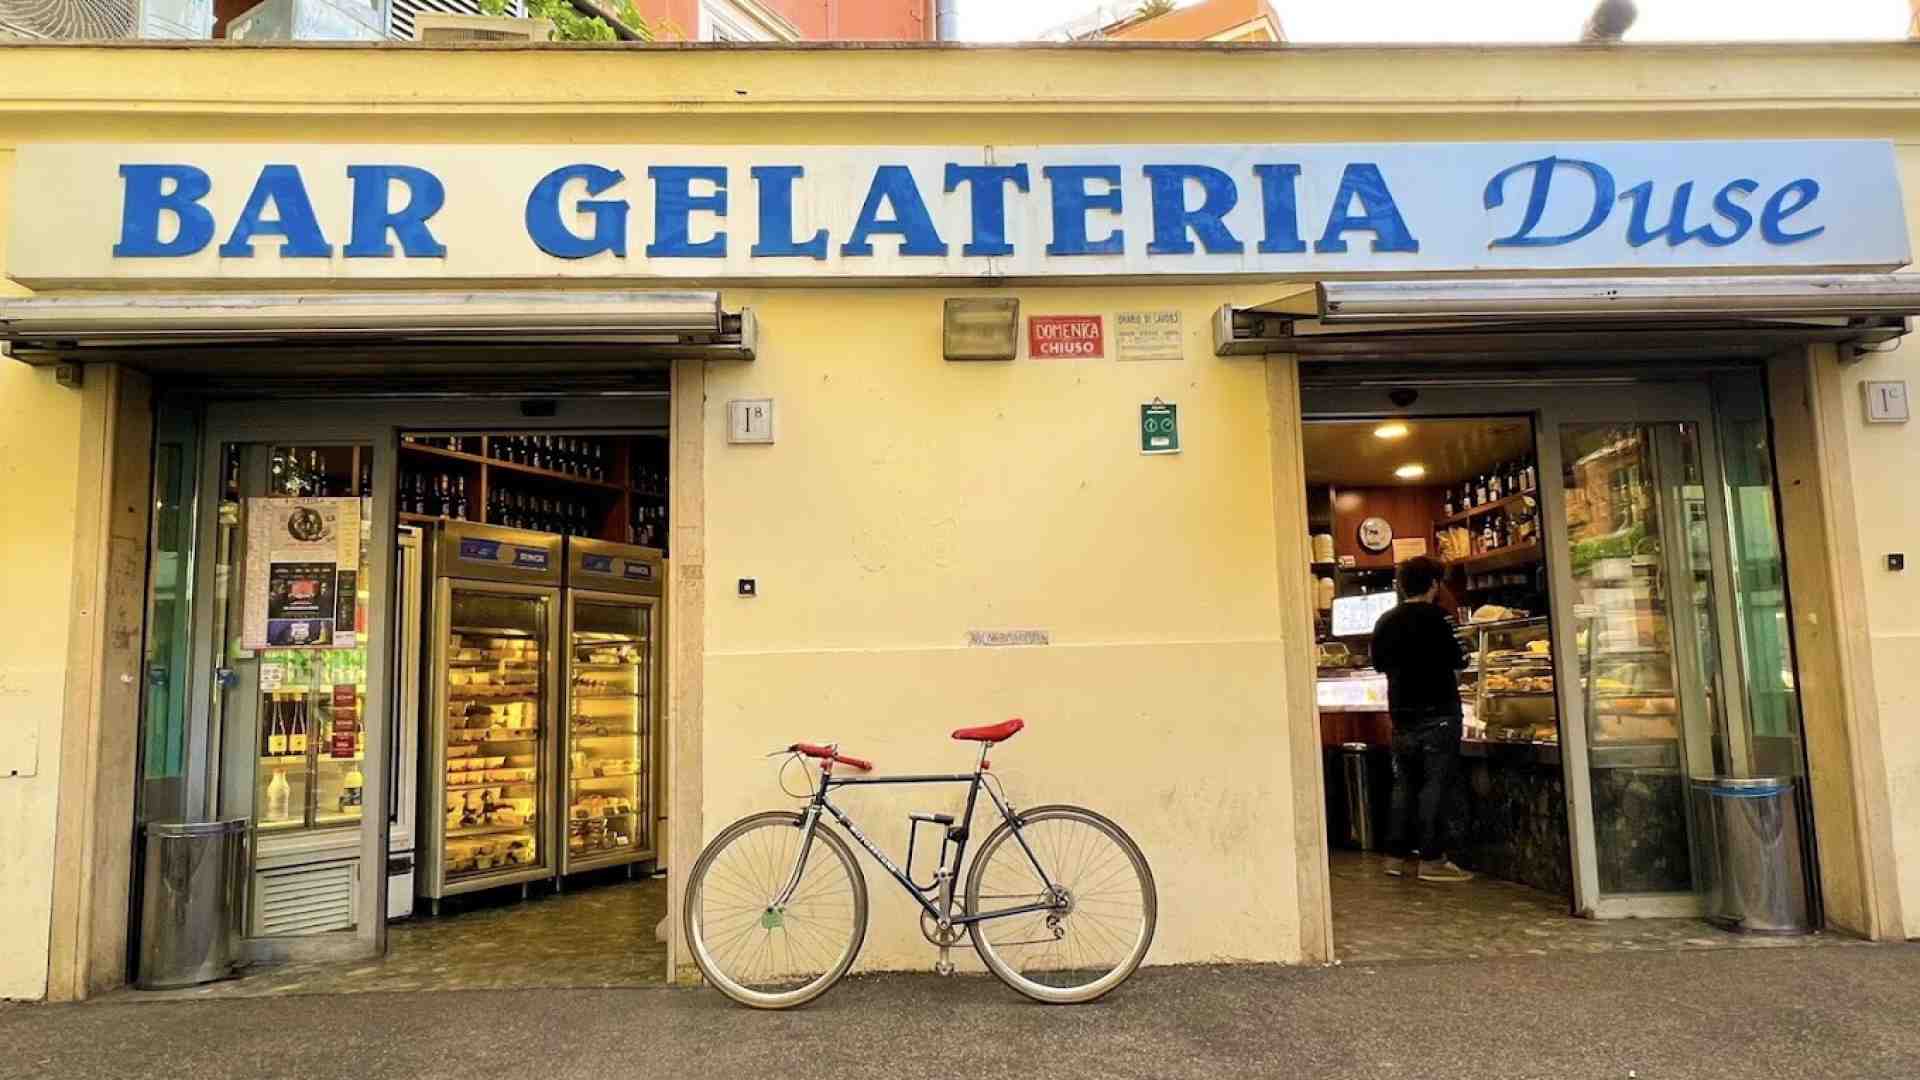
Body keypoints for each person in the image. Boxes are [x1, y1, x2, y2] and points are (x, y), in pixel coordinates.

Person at [1368, 555, 1473, 883]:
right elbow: (1463, 659)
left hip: (1401, 713)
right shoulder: (1441, 619)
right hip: (1439, 712)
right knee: (1434, 786)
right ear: (1433, 585)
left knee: (1404, 785)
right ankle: (1431, 860)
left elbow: (1378, 664)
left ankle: (1394, 857)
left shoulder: (1385, 621)